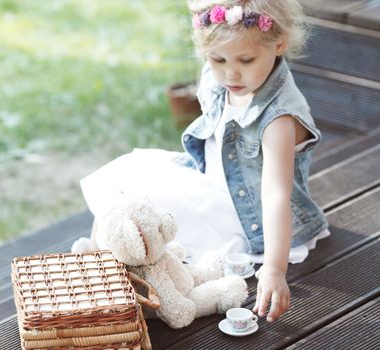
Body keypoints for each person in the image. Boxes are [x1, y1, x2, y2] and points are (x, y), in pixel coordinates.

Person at [73, 0, 329, 323]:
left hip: (245, 217)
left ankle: (111, 274)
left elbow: (276, 195)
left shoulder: (278, 119)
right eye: (217, 59)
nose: (230, 72)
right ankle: (101, 259)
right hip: (208, 180)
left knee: (148, 208)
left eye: (246, 60)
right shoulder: (222, 77)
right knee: (128, 174)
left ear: (279, 44)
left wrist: (274, 270)